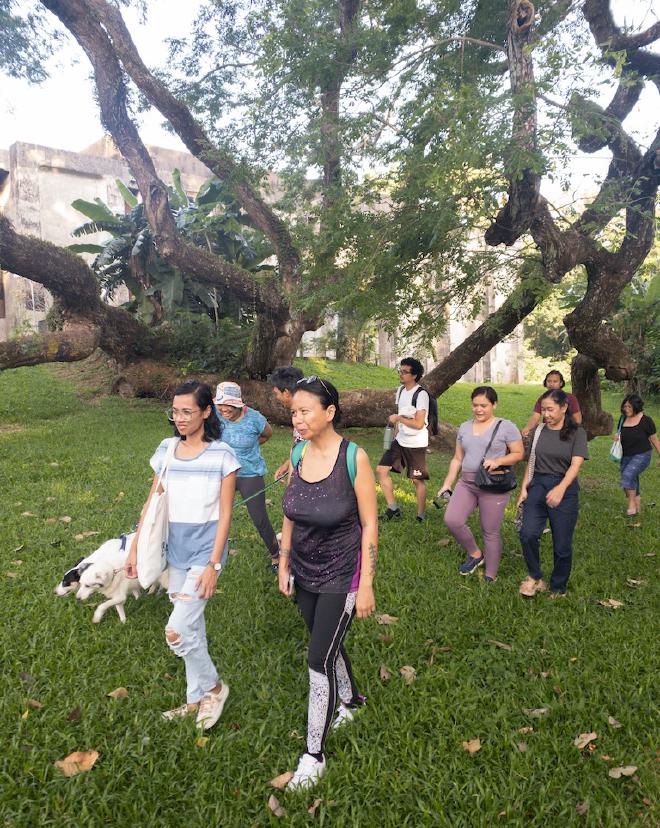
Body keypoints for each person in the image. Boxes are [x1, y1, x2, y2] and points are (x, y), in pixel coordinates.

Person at [278, 376, 377, 790]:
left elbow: (370, 524)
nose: (297, 419)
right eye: (294, 412)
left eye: (305, 411)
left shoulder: (354, 458)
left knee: (318, 660)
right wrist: (283, 562)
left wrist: (367, 583)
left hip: (342, 574)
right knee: (327, 641)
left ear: (329, 412)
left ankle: (313, 754)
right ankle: (352, 698)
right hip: (304, 569)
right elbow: (291, 512)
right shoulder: (298, 452)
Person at [125, 380, 239, 729]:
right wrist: (134, 546)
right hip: (174, 554)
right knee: (193, 628)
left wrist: (214, 565)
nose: (179, 418)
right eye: (175, 411)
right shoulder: (167, 450)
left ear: (206, 412)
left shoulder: (222, 455)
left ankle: (216, 688)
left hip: (204, 556)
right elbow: (152, 502)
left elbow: (225, 515)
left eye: (187, 411)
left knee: (176, 630)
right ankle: (195, 700)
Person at [438, 387, 524, 581]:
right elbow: (457, 458)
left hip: (493, 484)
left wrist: (499, 461)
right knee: (452, 519)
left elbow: (518, 453)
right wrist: (447, 484)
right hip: (467, 482)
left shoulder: (506, 426)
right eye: (475, 405)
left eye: (484, 405)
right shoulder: (465, 427)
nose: (479, 409)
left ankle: (491, 575)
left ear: (494, 405)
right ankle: (476, 554)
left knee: (490, 530)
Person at [517, 388, 588, 598]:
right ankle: (535, 576)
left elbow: (576, 466)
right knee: (528, 533)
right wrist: (524, 488)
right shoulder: (539, 430)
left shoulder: (577, 433)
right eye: (543, 410)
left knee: (562, 544)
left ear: (564, 407)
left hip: (564, 488)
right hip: (537, 484)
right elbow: (531, 462)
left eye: (550, 410)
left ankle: (558, 587)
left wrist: (561, 488)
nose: (546, 414)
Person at [214, 381, 281, 573]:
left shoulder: (254, 419)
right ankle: (213, 552)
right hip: (223, 473)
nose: (223, 409)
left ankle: (276, 555)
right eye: (220, 404)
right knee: (214, 514)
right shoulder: (215, 416)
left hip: (249, 473)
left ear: (238, 403)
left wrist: (251, 446)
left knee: (259, 518)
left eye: (228, 404)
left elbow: (267, 434)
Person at [376, 357, 430, 522]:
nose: (401, 374)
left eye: (405, 372)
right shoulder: (400, 391)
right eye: (400, 370)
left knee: (416, 480)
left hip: (416, 444)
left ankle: (420, 515)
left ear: (414, 375)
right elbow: (400, 416)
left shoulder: (421, 395)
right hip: (400, 440)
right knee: (381, 470)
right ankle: (393, 508)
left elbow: (420, 424)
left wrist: (398, 418)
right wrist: (394, 433)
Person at [614, 393, 659, 516]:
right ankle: (637, 505)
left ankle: (631, 504)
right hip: (626, 455)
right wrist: (617, 437)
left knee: (628, 476)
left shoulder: (646, 421)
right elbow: (619, 433)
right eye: (625, 406)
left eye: (629, 407)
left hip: (643, 454)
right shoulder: (622, 419)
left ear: (636, 406)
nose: (626, 409)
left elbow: (654, 439)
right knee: (631, 479)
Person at [268, 365, 304, 480]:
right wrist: (288, 464)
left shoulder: (305, 417)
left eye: (277, 393)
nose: (277, 397)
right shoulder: (298, 412)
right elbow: (301, 445)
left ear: (286, 393)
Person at [521, 370, 582, 437]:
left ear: (561, 383)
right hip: (548, 431)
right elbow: (535, 417)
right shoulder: (543, 398)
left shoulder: (571, 398)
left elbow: (577, 419)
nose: (551, 384)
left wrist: (572, 433)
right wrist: (527, 428)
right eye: (549, 381)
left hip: (567, 432)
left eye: (555, 381)